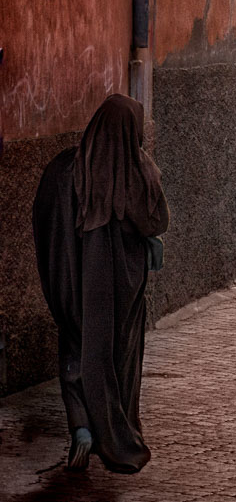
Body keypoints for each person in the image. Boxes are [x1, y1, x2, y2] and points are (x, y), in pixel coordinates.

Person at [32, 94, 169, 473]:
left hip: (76, 284)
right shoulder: (139, 169)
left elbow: (46, 216)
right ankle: (120, 431)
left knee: (78, 348)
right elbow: (156, 221)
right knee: (119, 354)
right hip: (124, 290)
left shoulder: (65, 170)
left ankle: (81, 428)